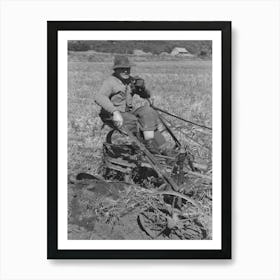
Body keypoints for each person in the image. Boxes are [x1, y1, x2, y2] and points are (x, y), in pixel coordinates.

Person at [94, 55, 166, 154]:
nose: (126, 71)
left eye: (127, 68)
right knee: (134, 122)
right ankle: (148, 149)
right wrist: (115, 112)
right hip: (112, 114)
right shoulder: (110, 82)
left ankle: (154, 145)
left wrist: (142, 88)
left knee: (148, 111)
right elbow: (99, 97)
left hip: (128, 112)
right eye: (122, 69)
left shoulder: (131, 81)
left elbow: (146, 95)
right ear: (116, 70)